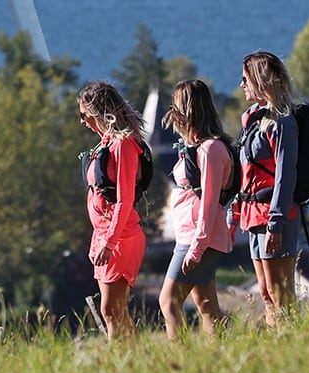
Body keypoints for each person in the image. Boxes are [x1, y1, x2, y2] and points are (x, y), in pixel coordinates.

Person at [159, 78, 231, 338]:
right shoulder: (197, 147)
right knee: (207, 306)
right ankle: (223, 354)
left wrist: (197, 248)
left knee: (169, 302)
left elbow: (210, 203)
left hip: (197, 239)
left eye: (176, 106)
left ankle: (177, 361)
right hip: (192, 236)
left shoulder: (210, 149)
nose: (172, 113)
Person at [78, 79, 150, 341]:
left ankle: (121, 360)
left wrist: (109, 241)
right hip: (104, 235)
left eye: (85, 114)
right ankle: (134, 360)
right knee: (114, 310)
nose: (82, 121)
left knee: (111, 309)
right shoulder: (104, 145)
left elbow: (125, 198)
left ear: (99, 112)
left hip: (121, 236)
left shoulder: (123, 145)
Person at [234, 51, 299, 324]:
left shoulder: (282, 122)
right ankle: (278, 348)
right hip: (253, 214)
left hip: (275, 216)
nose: (242, 85)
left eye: (245, 78)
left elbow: (286, 174)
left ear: (261, 80)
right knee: (265, 293)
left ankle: (291, 346)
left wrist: (276, 221)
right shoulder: (253, 120)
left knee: (280, 294)